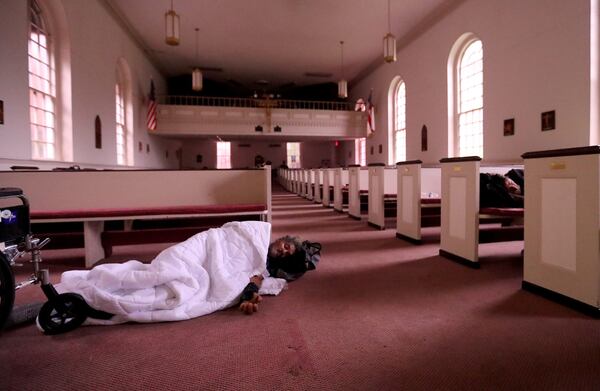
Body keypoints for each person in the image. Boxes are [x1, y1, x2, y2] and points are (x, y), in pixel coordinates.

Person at [55, 222, 316, 325]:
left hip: (206, 273)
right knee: (163, 270)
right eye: (286, 246)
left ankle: (100, 300)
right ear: (283, 239)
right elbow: (219, 238)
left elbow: (252, 281)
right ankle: (101, 289)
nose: (282, 250)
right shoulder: (255, 232)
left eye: (285, 255)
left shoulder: (262, 267)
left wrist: (249, 297)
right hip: (202, 249)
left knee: (174, 292)